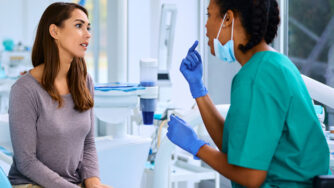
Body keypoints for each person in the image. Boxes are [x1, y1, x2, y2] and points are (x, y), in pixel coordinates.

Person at [166, 0, 330, 187]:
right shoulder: (273, 65)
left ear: (227, 19)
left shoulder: (256, 78)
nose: (206, 25)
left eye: (209, 15)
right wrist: (198, 88)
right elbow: (235, 148)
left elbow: (251, 176)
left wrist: (197, 147)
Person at [8, 3, 111, 188]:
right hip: (30, 184)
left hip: (72, 183)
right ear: (55, 31)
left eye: (88, 27)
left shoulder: (85, 81)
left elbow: (88, 143)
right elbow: (26, 162)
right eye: (79, 26)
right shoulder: (25, 90)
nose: (88, 34)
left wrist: (94, 182)